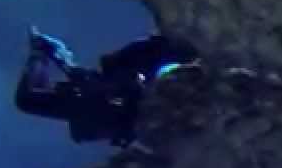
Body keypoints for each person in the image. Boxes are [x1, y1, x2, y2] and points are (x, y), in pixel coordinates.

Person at [14, 26, 198, 146]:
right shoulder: (154, 51)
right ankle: (45, 52)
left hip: (120, 109)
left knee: (29, 100)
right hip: (116, 106)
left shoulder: (170, 57)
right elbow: (119, 74)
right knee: (28, 100)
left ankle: (46, 51)